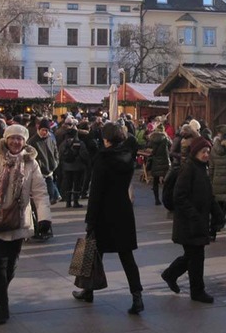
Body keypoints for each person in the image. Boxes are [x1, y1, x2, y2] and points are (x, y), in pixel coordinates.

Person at [0, 124, 52, 325]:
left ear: (25, 142)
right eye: (12, 138)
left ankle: (1, 291)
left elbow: (40, 192)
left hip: (18, 222)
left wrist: (44, 218)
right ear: (5, 140)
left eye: (20, 139)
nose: (16, 142)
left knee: (11, 266)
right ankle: (2, 305)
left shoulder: (31, 164)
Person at [73, 122, 144, 314]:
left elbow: (96, 192)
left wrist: (90, 219)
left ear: (106, 139)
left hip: (104, 211)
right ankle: (137, 296)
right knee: (127, 256)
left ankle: (87, 290)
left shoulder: (102, 159)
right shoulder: (128, 156)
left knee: (92, 251)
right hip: (122, 210)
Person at [160, 136, 223, 303]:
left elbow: (208, 195)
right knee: (196, 257)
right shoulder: (188, 169)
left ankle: (170, 274)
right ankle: (197, 291)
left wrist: (217, 213)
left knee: (192, 256)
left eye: (208, 152)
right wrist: (194, 215)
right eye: (203, 152)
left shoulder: (202, 168)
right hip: (189, 222)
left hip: (197, 221)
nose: (206, 155)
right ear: (195, 152)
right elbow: (179, 196)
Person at [27, 118, 61, 205]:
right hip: (39, 170)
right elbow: (29, 155)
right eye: (43, 130)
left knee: (50, 191)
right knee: (42, 191)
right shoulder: (33, 141)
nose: (44, 132)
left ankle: (53, 199)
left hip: (50, 168)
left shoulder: (50, 138)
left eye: (46, 130)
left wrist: (55, 162)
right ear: (39, 129)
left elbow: (55, 151)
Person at [59, 126, 90, 208]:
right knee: (77, 184)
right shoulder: (79, 143)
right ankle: (75, 202)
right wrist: (86, 163)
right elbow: (84, 154)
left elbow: (60, 154)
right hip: (78, 166)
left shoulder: (63, 143)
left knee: (68, 183)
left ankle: (68, 202)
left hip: (66, 167)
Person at [147, 123, 172, 205]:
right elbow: (171, 146)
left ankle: (157, 199)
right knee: (166, 181)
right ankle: (165, 198)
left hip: (155, 162)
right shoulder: (166, 139)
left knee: (155, 181)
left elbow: (149, 148)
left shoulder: (152, 138)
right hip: (164, 161)